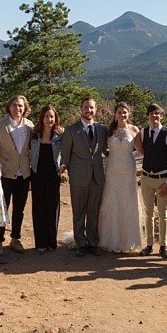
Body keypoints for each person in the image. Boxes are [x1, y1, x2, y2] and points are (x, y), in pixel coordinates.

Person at [0, 95, 34, 255]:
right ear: (9, 107)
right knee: (2, 209)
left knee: (19, 208)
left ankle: (16, 238)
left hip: (24, 174)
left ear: (25, 108)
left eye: (20, 106)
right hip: (4, 174)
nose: (17, 108)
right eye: (14, 105)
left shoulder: (30, 126)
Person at [60, 97, 108, 257]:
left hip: (97, 177)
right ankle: (80, 243)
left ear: (96, 109)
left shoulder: (102, 129)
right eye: (86, 107)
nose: (89, 110)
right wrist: (68, 170)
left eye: (92, 108)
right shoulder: (71, 130)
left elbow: (105, 150)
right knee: (79, 211)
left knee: (94, 211)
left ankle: (93, 242)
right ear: (81, 109)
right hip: (78, 176)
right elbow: (66, 154)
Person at [98, 102, 145, 253]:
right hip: (112, 170)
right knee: (111, 201)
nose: (122, 115)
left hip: (127, 170)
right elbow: (102, 149)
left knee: (127, 202)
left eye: (125, 112)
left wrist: (127, 156)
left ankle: (127, 241)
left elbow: (141, 152)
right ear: (115, 114)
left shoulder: (134, 130)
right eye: (119, 112)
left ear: (128, 114)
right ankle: (111, 239)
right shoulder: (109, 130)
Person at [139, 103, 167, 260]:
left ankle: (163, 246)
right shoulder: (143, 132)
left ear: (162, 116)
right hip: (146, 178)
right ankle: (148, 245)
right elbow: (141, 153)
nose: (154, 116)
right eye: (151, 113)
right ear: (147, 115)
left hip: (162, 179)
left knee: (163, 214)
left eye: (157, 114)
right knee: (148, 213)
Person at [30, 105, 64, 253]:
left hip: (53, 175)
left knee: (53, 207)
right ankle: (40, 243)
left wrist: (64, 165)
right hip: (37, 173)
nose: (49, 119)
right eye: (46, 116)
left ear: (55, 118)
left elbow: (67, 152)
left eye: (52, 117)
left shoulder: (61, 134)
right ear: (42, 118)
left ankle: (52, 242)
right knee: (38, 208)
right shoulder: (34, 134)